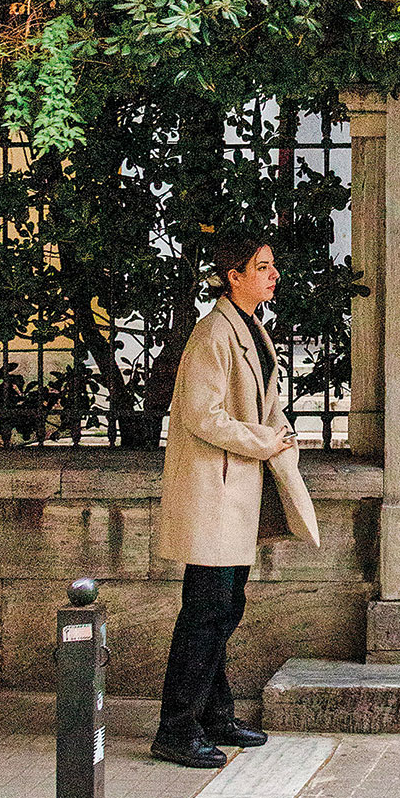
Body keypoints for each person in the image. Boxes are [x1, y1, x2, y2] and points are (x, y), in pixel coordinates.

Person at [150, 233, 319, 769]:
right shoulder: (212, 334)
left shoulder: (250, 329)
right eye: (262, 267)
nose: (273, 275)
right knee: (206, 612)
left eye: (272, 266)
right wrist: (264, 440)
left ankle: (214, 715)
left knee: (223, 608)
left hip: (232, 490)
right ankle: (176, 728)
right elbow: (201, 415)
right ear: (234, 276)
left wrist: (279, 435)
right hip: (213, 491)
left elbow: (264, 404)